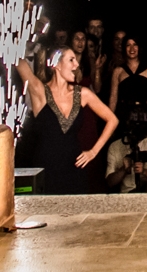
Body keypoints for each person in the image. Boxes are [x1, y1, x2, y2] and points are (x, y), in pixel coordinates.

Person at [15, 47, 117, 195]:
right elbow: (18, 59)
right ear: (56, 64)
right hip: (46, 167)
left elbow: (112, 120)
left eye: (75, 60)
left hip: (74, 167)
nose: (76, 65)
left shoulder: (83, 94)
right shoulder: (40, 92)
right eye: (71, 60)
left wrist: (93, 152)